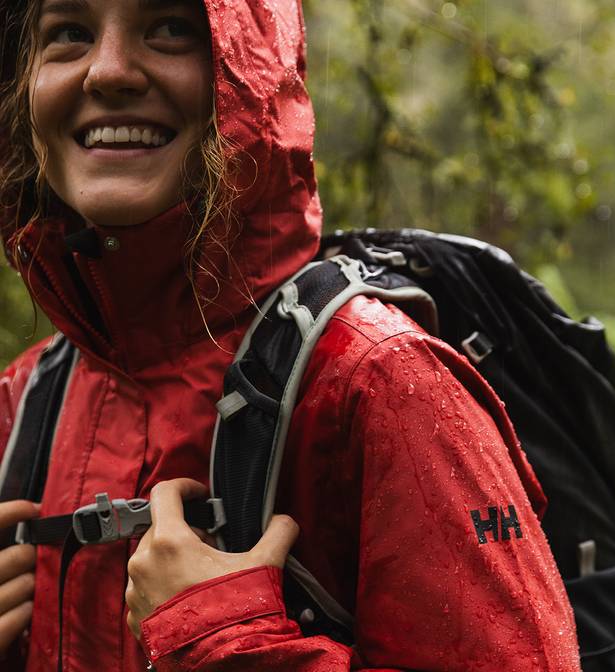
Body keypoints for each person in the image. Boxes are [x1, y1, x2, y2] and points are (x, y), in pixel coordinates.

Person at [0, 0, 581, 670]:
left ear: (253, 73)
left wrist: (231, 644)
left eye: (170, 30)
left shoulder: (378, 381)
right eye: (68, 34)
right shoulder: (29, 397)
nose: (108, 71)